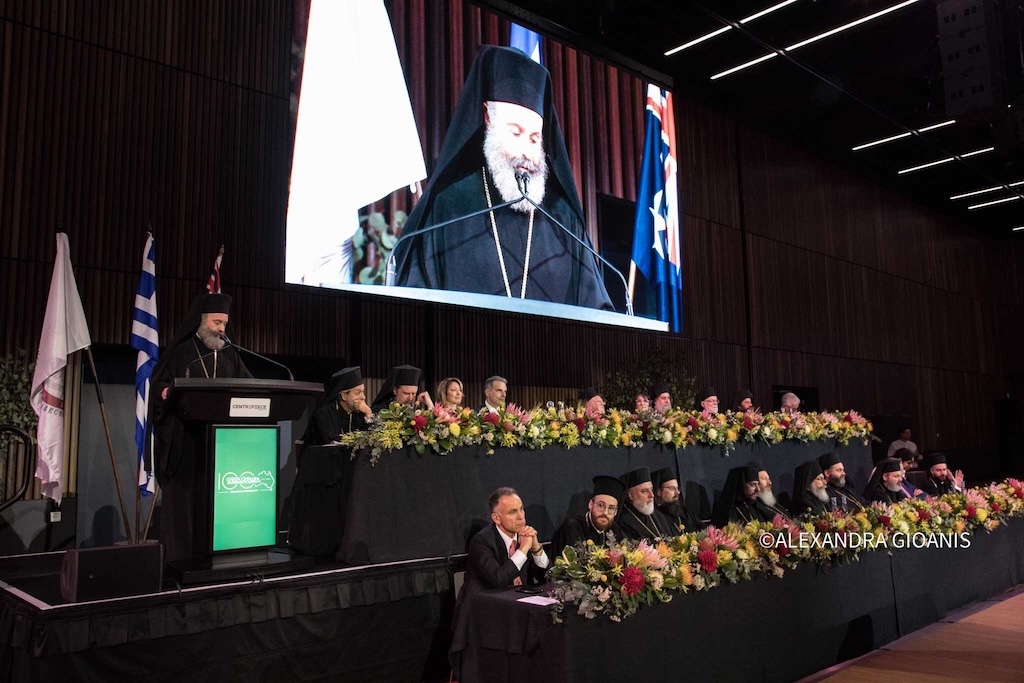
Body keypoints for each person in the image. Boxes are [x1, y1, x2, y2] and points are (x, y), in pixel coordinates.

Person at [393, 45, 612, 310]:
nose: (527, 153)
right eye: (516, 133)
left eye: (534, 139)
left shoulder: (563, 220)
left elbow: (598, 311)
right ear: (488, 119)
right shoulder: (447, 209)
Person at [151, 293, 253, 564]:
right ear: (201, 321)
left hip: (222, 444)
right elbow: (159, 385)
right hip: (185, 441)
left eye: (224, 324)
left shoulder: (230, 352)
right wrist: (164, 392)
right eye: (217, 322)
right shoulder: (182, 351)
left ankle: (220, 552)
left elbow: (250, 385)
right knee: (185, 503)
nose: (222, 329)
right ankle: (181, 558)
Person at [461, 487, 549, 598]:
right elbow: (499, 580)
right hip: (486, 607)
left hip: (521, 602)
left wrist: (536, 549)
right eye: (513, 512)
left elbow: (546, 577)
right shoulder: (481, 542)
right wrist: (523, 550)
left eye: (521, 509)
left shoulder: (525, 535)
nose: (521, 516)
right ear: (496, 518)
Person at [549, 475, 624, 557]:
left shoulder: (615, 531)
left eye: (611, 508)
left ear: (616, 512)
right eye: (601, 505)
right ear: (591, 504)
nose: (605, 512)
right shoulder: (571, 528)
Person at [302, 366, 372, 447]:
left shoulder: (360, 414)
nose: (363, 397)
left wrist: (369, 414)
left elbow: (371, 439)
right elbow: (331, 441)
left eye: (363, 392)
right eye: (357, 393)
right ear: (344, 396)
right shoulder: (324, 413)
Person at [616, 467, 675, 540]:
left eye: (651, 490)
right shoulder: (623, 523)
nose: (651, 495)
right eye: (644, 491)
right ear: (630, 495)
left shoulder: (660, 516)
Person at [651, 467, 700, 532]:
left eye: (677, 488)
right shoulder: (655, 518)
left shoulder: (686, 513)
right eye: (672, 488)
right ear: (659, 492)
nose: (677, 492)